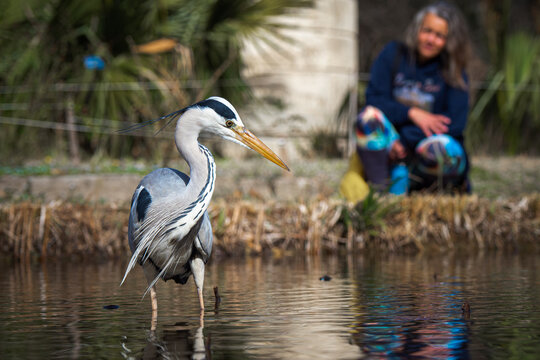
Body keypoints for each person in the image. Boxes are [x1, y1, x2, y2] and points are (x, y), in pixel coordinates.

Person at [341, 2, 472, 203]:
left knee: (444, 148)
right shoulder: (393, 54)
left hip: (423, 149)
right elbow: (374, 100)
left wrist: (405, 142)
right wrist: (412, 114)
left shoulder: (453, 71)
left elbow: (453, 125)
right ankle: (380, 191)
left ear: (449, 40)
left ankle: (426, 191)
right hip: (389, 146)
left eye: (439, 36)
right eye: (427, 31)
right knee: (367, 118)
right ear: (417, 29)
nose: (431, 39)